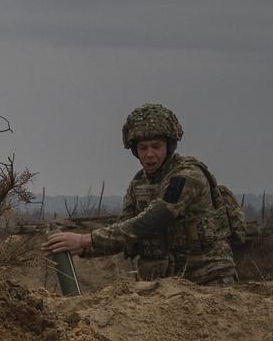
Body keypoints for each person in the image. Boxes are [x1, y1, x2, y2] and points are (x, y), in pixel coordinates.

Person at [43, 104, 236, 285]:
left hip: (208, 278)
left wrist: (86, 239)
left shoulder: (187, 176)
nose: (149, 154)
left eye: (156, 146)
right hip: (163, 285)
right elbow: (123, 233)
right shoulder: (138, 183)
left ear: (169, 146)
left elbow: (151, 219)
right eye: (143, 148)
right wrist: (83, 248)